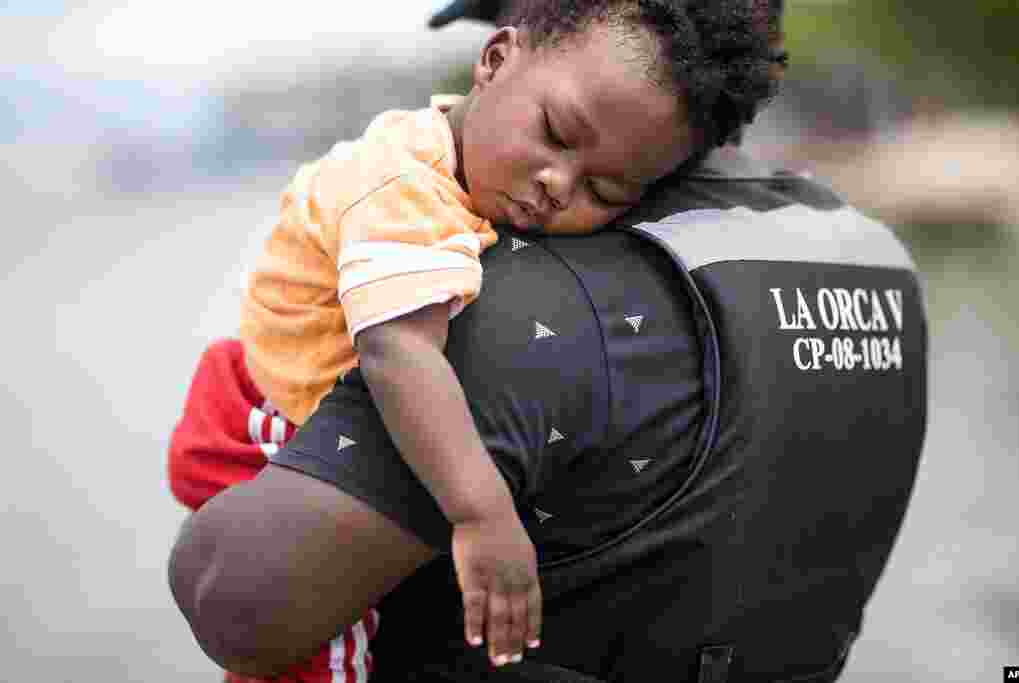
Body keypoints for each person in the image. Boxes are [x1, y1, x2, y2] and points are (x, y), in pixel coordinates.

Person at [169, 1, 928, 681]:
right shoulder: (875, 260)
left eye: (600, 183)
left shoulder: (524, 303)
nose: (554, 185)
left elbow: (238, 605)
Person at [236, 0, 779, 667]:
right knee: (332, 653)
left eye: (605, 192)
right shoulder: (405, 188)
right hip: (270, 412)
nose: (558, 184)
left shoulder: (469, 152)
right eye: (555, 133)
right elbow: (399, 350)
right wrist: (482, 514)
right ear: (494, 60)